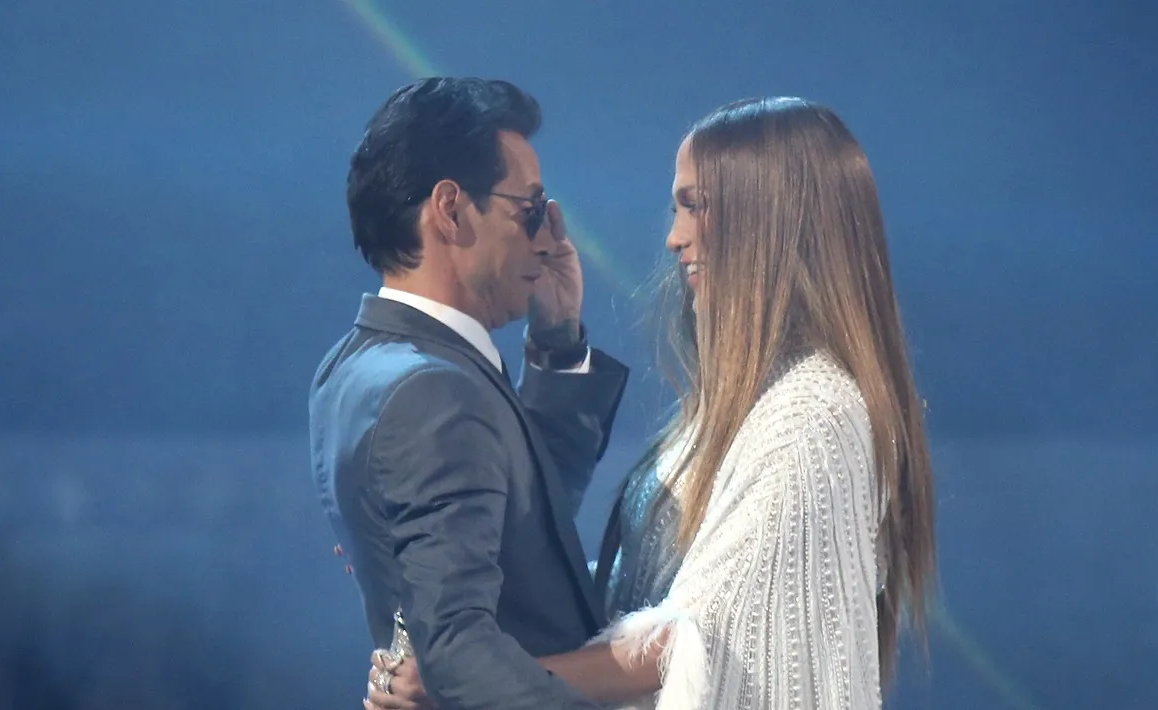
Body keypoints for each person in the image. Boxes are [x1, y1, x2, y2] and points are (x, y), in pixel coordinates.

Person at [368, 96, 937, 709]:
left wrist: (466, 681)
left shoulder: (812, 417)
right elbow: (633, 590)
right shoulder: (751, 407)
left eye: (696, 206)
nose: (674, 237)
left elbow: (695, 639)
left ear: (770, 218)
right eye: (677, 207)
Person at [310, 77, 629, 710]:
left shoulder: (352, 367)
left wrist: (558, 342)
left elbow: (524, 531)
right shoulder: (433, 391)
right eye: (530, 210)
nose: (548, 236)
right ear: (451, 210)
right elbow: (458, 652)